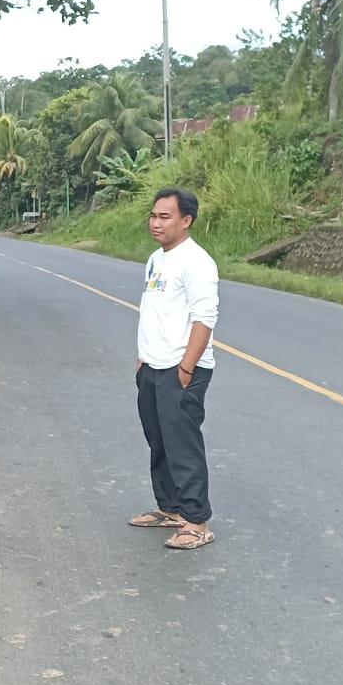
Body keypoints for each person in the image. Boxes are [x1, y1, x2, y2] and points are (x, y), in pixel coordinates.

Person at [129, 186, 219, 550]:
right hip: (152, 365)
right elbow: (155, 312)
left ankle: (197, 522)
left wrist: (186, 367)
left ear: (186, 221)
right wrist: (142, 359)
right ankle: (170, 508)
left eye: (165, 217)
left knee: (182, 444)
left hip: (181, 368)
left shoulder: (197, 262)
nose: (156, 223)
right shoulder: (156, 259)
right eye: (153, 216)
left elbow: (204, 318)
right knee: (159, 441)